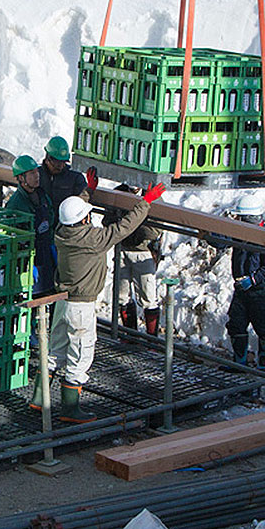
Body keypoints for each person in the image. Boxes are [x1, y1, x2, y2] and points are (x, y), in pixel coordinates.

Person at [42, 186, 164, 422]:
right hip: (81, 306)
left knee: (56, 350)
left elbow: (72, 212)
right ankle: (70, 409)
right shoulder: (93, 239)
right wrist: (145, 201)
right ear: (84, 218)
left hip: (62, 302)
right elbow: (125, 227)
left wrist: (87, 191)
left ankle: (40, 400)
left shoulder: (61, 232)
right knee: (80, 354)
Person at [225, 195, 265, 372]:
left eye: (241, 218)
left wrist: (254, 279)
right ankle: (239, 361)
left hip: (261, 293)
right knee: (236, 324)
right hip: (242, 290)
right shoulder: (240, 233)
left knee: (263, 327)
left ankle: (264, 361)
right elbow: (221, 241)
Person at [104, 183, 165, 335]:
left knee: (148, 296)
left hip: (143, 251)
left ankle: (152, 338)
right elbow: (107, 220)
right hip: (122, 249)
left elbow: (155, 229)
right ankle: (129, 334)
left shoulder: (154, 195)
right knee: (121, 294)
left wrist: (129, 232)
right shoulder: (119, 193)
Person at [4, 155, 56, 297]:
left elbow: (50, 219)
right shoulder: (16, 204)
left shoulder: (42, 196)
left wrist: (52, 247)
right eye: (32, 173)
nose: (37, 176)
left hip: (46, 254)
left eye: (37, 172)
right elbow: (14, 238)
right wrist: (26, 262)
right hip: (30, 259)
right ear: (21, 178)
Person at [38, 136, 90, 224]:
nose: (61, 166)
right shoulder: (37, 175)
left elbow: (80, 203)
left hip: (63, 227)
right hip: (41, 223)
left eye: (64, 162)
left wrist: (89, 190)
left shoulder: (75, 178)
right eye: (57, 164)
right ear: (48, 159)